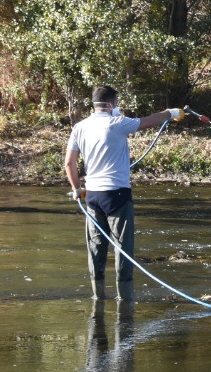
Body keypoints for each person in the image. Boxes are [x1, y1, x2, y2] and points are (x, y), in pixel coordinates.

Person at [63, 85, 185, 300]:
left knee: (96, 249)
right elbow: (149, 121)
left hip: (92, 197)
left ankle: (97, 299)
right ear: (111, 104)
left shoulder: (79, 127)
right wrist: (171, 113)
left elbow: (69, 163)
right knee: (123, 250)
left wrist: (76, 189)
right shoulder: (118, 123)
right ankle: (125, 304)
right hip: (117, 195)